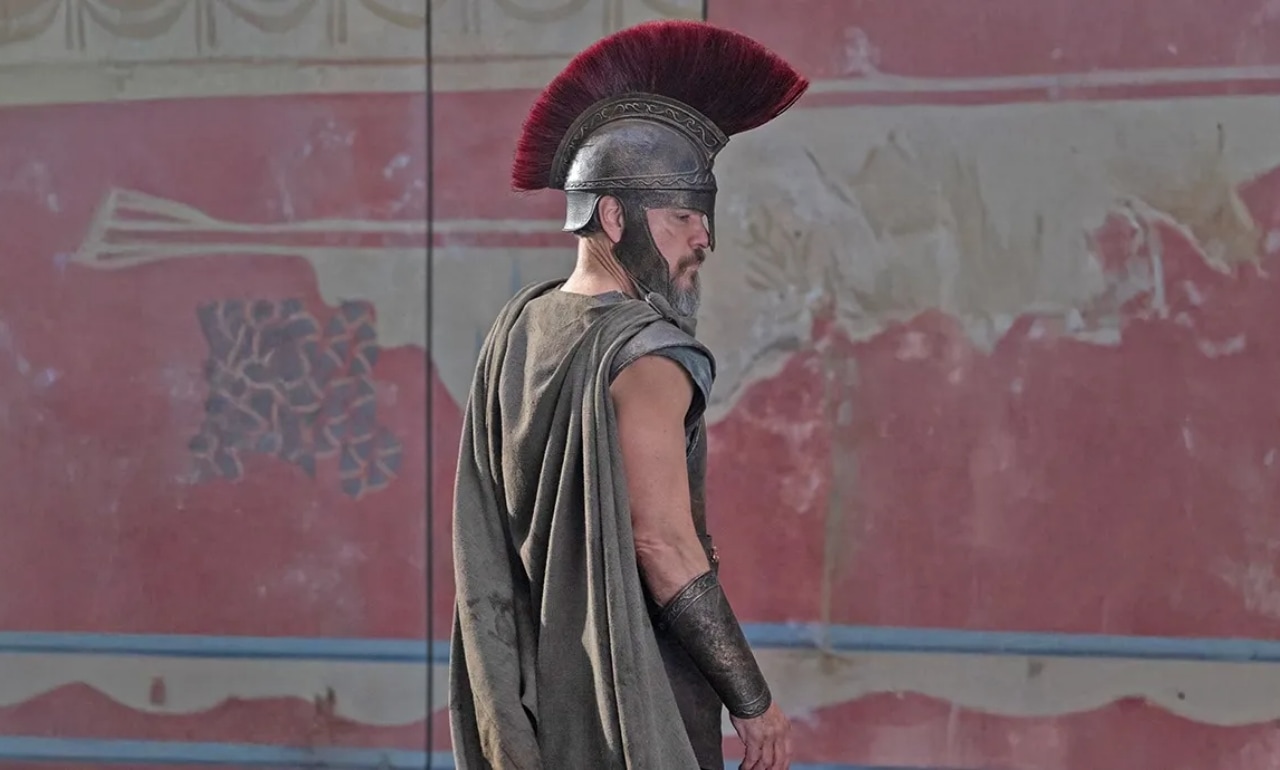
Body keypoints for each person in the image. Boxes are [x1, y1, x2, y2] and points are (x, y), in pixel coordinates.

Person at [448, 19, 809, 770]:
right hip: (625, 712)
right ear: (613, 215)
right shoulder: (647, 355)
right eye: (682, 216)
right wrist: (754, 701)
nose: (703, 239)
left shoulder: (517, 327)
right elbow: (663, 544)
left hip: (532, 712)